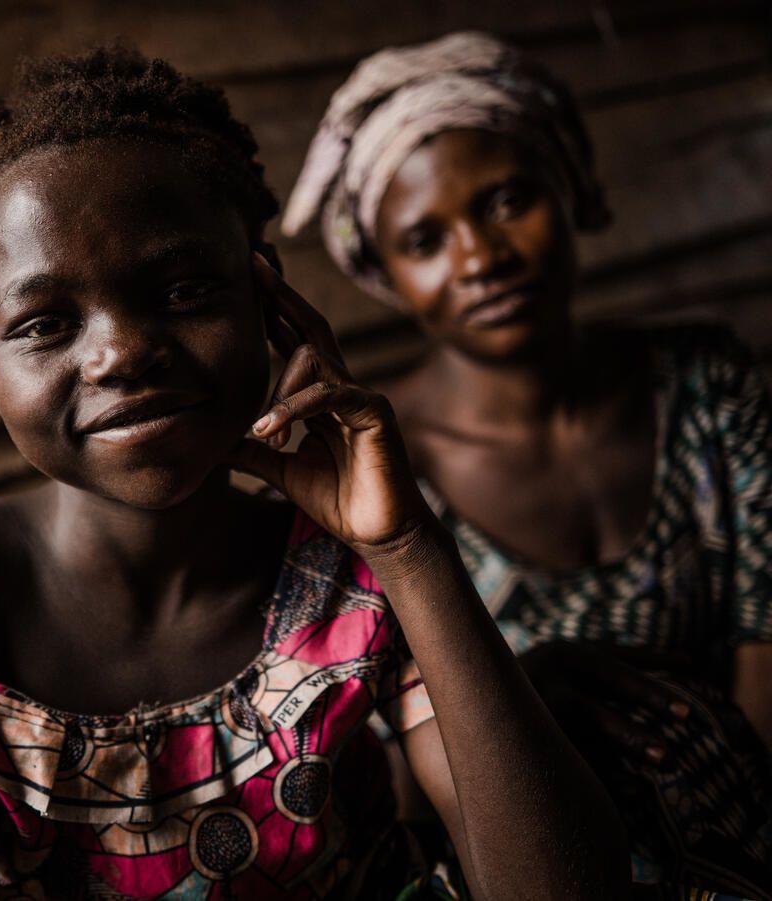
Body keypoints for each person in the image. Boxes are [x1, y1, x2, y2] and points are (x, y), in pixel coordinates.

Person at [0, 46, 630, 900]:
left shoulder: (341, 566)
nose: (120, 353)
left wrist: (407, 547)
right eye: (46, 323)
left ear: (269, 299)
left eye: (184, 291)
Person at [283, 31, 772, 897]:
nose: (481, 258)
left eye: (508, 200)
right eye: (426, 240)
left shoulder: (709, 386)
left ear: (568, 185)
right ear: (386, 270)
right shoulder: (379, 481)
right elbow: (419, 803)